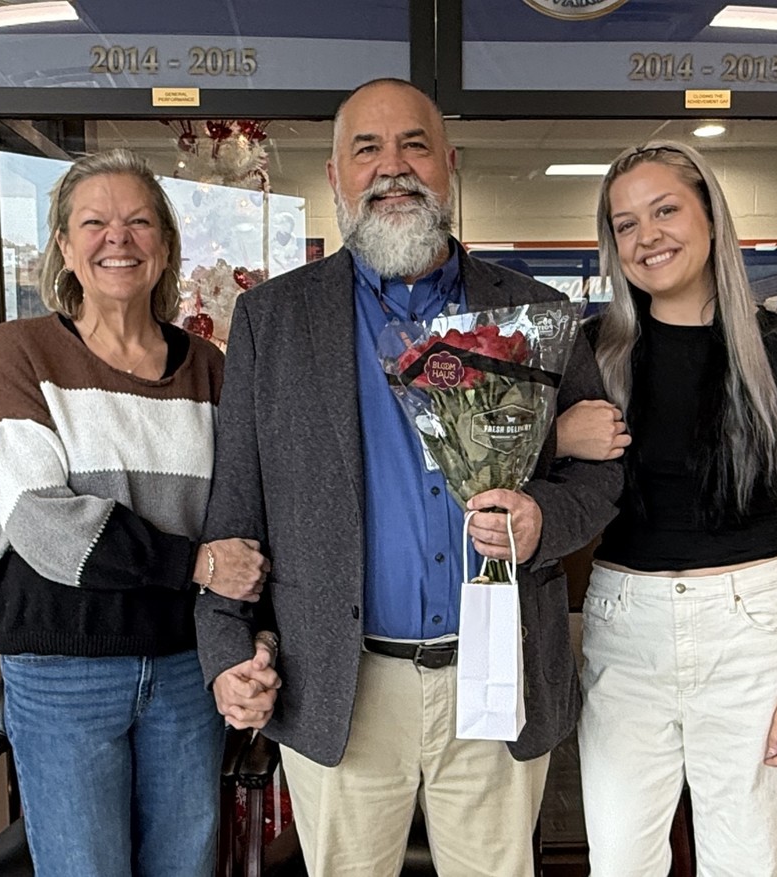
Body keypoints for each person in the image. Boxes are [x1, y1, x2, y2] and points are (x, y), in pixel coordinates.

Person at [195, 78, 623, 877]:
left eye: (414, 145)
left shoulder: (532, 311)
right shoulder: (272, 322)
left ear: (449, 166)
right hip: (340, 679)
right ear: (333, 177)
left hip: (496, 671)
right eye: (367, 148)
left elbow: (595, 478)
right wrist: (225, 647)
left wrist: (541, 521)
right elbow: (236, 501)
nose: (393, 168)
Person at [555, 140, 777, 876]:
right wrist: (557, 435)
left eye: (664, 211)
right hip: (626, 626)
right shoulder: (592, 351)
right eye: (624, 224)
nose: (646, 236)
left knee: (752, 861)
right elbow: (532, 488)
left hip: (753, 628)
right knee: (621, 861)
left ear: (711, 217)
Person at [0, 148, 269, 877]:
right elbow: (40, 520)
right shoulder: (22, 351)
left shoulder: (210, 368)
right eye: (95, 222)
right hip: (63, 663)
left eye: (140, 221)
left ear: (166, 246)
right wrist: (195, 563)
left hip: (179, 663)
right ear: (64, 246)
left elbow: (242, 517)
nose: (119, 238)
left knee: (186, 864)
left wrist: (250, 638)